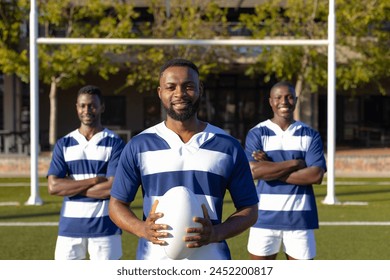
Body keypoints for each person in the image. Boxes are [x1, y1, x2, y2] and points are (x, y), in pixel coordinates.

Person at [109, 58, 258, 260]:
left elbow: (249, 209)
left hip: (211, 263)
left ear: (200, 89)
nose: (179, 94)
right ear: (160, 92)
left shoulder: (227, 145)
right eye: (171, 87)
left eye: (188, 86)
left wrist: (216, 232)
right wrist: (142, 228)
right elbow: (116, 204)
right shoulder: (139, 145)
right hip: (153, 264)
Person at [245, 81, 327, 260]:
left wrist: (269, 167)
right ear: (270, 101)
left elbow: (316, 175)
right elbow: (252, 172)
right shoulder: (257, 133)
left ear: (296, 100)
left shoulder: (310, 134)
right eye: (278, 97)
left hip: (300, 220)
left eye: (289, 97)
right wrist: (296, 164)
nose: (284, 101)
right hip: (263, 218)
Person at [47, 85, 125, 260]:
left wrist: (70, 187)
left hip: (105, 228)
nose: (87, 110)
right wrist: (93, 180)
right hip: (69, 229)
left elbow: (112, 188)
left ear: (102, 107)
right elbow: (53, 187)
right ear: (77, 107)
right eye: (82, 105)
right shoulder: (64, 143)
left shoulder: (115, 143)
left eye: (92, 105)